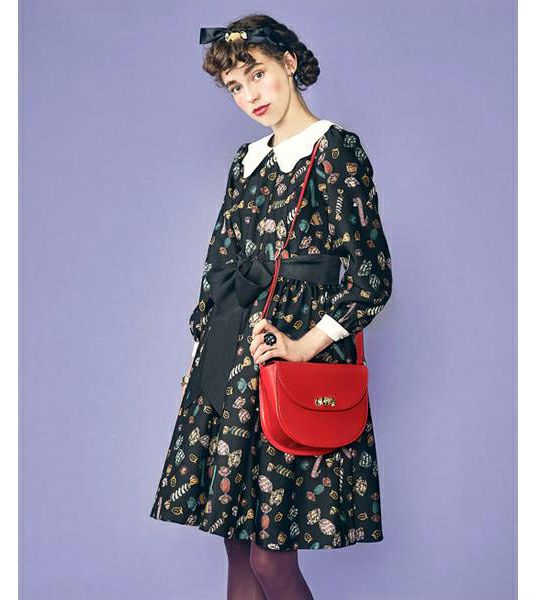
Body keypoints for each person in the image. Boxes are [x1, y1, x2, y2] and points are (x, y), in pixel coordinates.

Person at [149, 13, 393, 600]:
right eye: (235, 86)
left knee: (271, 559)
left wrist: (303, 347)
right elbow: (219, 266)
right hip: (229, 361)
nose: (250, 96)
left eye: (257, 74)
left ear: (289, 63)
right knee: (237, 551)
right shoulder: (245, 160)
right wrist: (199, 360)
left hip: (291, 362)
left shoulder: (336, 149)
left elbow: (371, 275)